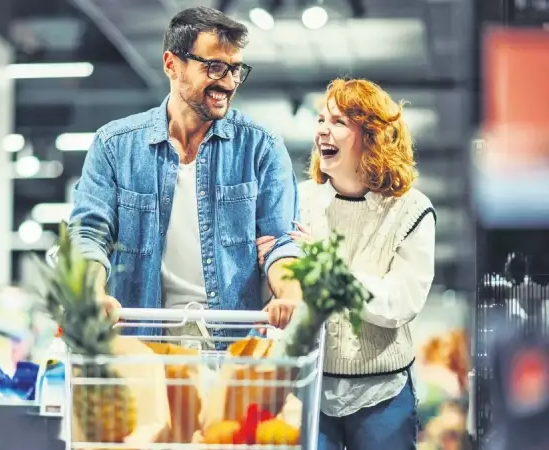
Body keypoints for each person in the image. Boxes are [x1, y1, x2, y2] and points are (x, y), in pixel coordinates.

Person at [67, 6, 302, 336]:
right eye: (216, 68)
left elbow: (281, 243)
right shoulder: (114, 145)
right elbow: (90, 234)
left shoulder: (261, 146)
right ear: (171, 64)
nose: (229, 83)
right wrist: (93, 295)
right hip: (142, 342)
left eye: (236, 70)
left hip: (232, 343)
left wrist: (290, 297)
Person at [257, 78, 437, 449]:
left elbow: (401, 302)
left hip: (382, 395)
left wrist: (327, 265)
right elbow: (282, 292)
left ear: (371, 135)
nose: (323, 129)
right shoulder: (297, 201)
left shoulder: (412, 210)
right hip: (307, 388)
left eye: (338, 121)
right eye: (321, 119)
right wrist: (269, 265)